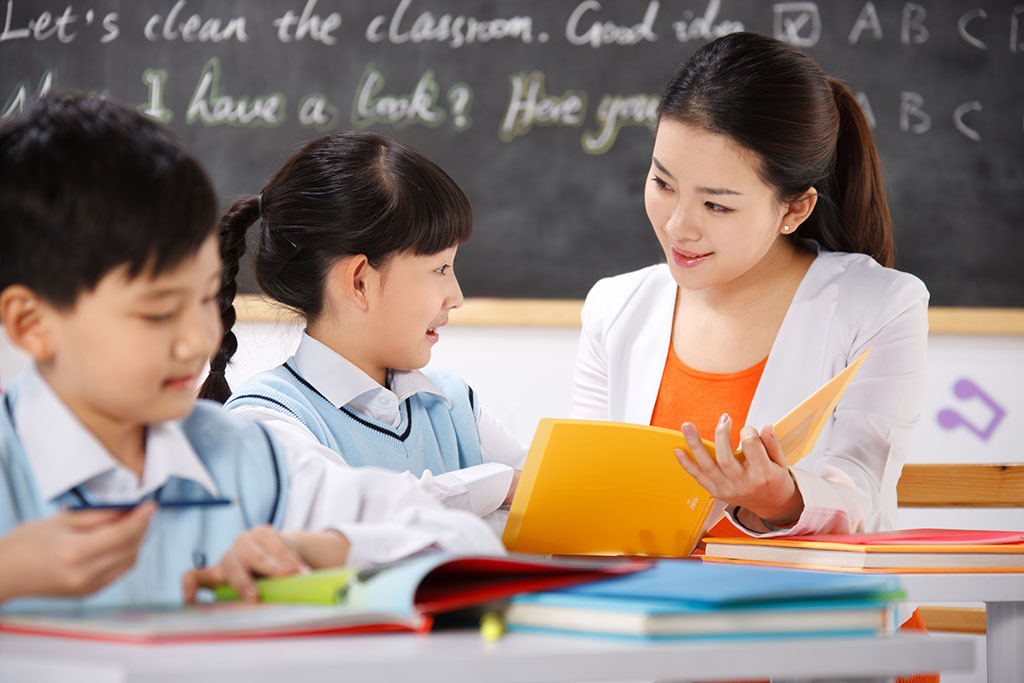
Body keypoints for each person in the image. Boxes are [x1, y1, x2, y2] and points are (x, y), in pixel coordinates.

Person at [0, 93, 502, 609]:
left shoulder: (246, 457)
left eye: (204, 298)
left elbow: (470, 544)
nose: (197, 340)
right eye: (158, 313)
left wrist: (316, 548)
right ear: (30, 323)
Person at [570, 33, 935, 680]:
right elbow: (594, 496)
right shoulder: (614, 306)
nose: (678, 225)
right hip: (663, 646)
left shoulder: (880, 305)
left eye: (716, 203)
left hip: (817, 644)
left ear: (794, 208)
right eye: (662, 182)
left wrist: (779, 498)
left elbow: (861, 490)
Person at [199, 132, 525, 523]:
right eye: (440, 268)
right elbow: (350, 521)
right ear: (359, 282)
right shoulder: (266, 422)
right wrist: (498, 485)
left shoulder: (453, 404)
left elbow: (557, 493)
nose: (455, 296)